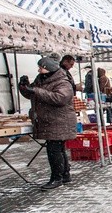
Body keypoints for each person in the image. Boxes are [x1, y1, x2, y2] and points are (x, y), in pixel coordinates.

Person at [18, 56, 77, 190]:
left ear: (48, 68)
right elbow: (33, 94)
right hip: (50, 119)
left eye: (41, 67)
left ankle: (57, 178)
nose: (39, 69)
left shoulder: (62, 81)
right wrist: (24, 87)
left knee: (54, 149)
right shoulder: (41, 79)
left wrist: (36, 90)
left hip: (59, 120)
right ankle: (65, 175)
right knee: (57, 148)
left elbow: (60, 98)